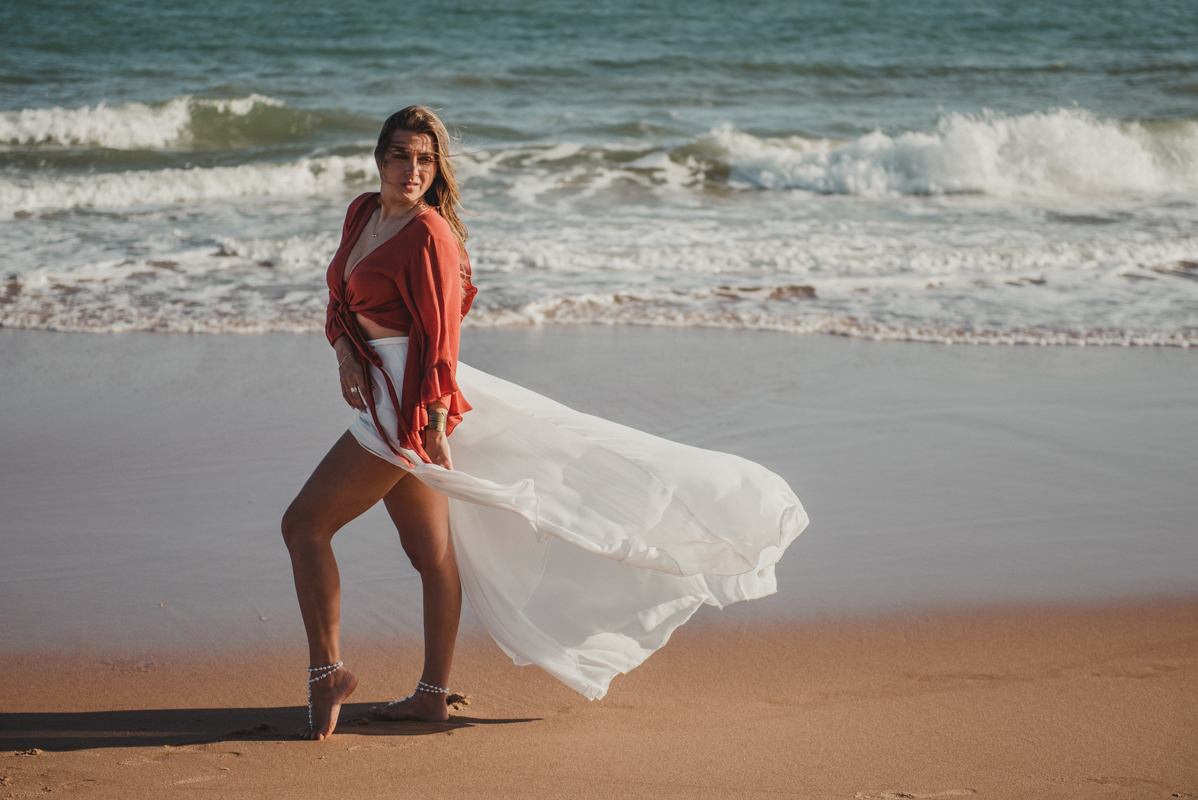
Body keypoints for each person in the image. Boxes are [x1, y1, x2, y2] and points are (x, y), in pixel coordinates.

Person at [283, 106, 809, 742]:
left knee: (304, 525)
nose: (412, 170)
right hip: (374, 387)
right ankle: (431, 696)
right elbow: (339, 298)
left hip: (405, 405)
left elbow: (443, 338)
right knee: (431, 554)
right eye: (401, 155)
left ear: (438, 167)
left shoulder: (430, 235)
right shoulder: (363, 212)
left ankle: (327, 673)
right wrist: (344, 351)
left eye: (425, 159)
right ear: (379, 157)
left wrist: (436, 420)